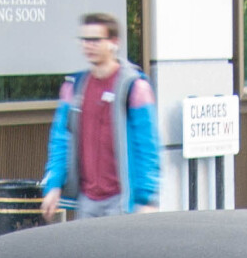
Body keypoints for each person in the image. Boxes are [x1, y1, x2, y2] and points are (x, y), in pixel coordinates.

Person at [41, 13, 159, 222]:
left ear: (114, 43)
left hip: (122, 201)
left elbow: (147, 147)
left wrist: (148, 199)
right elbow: (61, 138)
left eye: (96, 40)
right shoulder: (74, 87)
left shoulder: (134, 87)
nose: (89, 45)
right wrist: (54, 185)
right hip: (87, 201)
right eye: (84, 40)